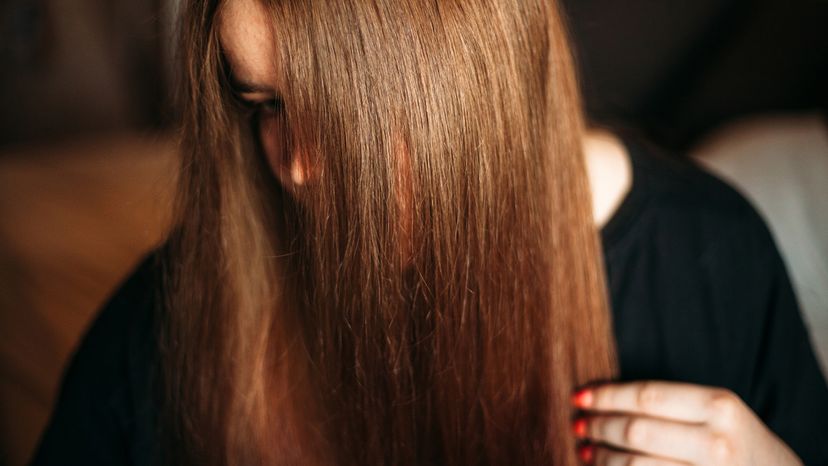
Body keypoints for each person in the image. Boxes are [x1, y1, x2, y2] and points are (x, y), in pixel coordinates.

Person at [31, 0, 828, 465]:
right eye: (264, 103)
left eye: (341, 113)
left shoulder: (710, 265)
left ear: (471, 77)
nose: (296, 166)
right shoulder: (165, 332)